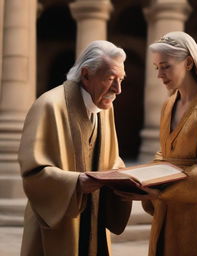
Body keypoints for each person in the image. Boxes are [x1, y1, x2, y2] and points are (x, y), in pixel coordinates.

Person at [118, 31, 197, 256]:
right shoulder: (169, 104)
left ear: (189, 62)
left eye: (166, 66)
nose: (160, 75)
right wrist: (144, 181)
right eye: (156, 68)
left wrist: (163, 192)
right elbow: (164, 153)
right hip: (167, 207)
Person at [18, 40, 132, 256]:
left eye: (121, 80)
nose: (118, 90)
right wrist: (75, 183)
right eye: (110, 79)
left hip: (94, 220)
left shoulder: (106, 107)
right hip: (56, 225)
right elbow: (33, 173)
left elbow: (111, 158)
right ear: (86, 74)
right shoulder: (48, 106)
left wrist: (127, 179)